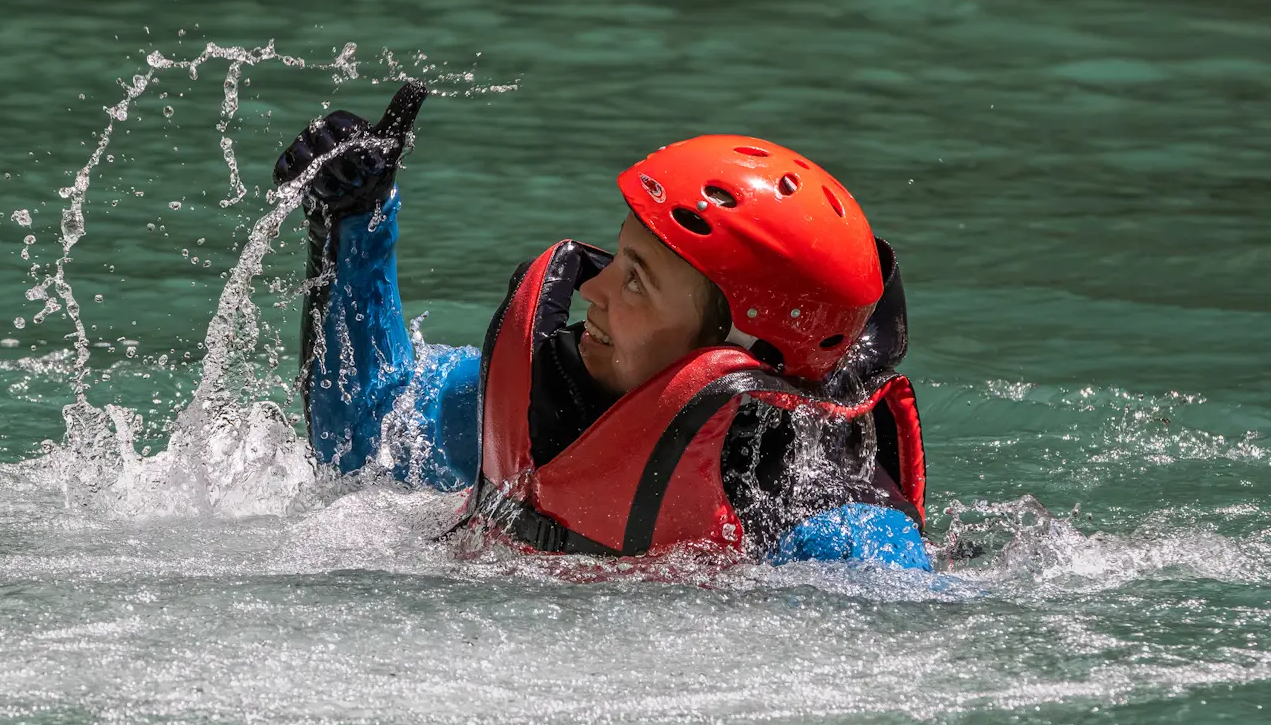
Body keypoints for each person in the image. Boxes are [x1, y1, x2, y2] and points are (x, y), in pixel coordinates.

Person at [273, 82, 931, 570]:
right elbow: (364, 439)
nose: (592, 288)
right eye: (619, 258)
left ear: (740, 357)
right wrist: (353, 225)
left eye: (638, 280)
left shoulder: (836, 529)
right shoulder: (547, 394)